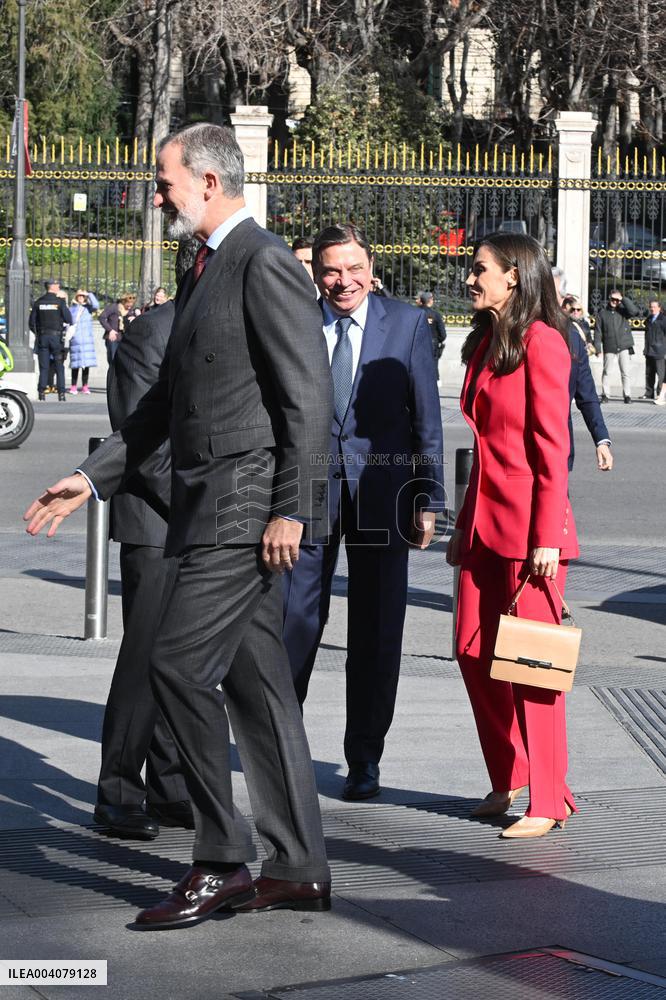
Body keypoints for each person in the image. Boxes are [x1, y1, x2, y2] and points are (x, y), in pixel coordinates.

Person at [24, 122, 334, 927]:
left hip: (245, 508)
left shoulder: (262, 259)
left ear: (206, 180)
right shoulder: (204, 265)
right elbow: (166, 405)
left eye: (164, 183)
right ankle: (297, 867)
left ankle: (222, 859)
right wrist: (91, 479)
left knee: (173, 662)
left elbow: (309, 398)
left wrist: (294, 508)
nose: (156, 196)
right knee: (259, 690)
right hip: (209, 506)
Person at [282, 223, 445, 802]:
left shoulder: (405, 324)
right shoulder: (297, 320)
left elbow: (427, 416)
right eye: (331, 269)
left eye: (353, 269)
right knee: (294, 621)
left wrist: (429, 497)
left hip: (385, 488)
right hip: (307, 488)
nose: (343, 281)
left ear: (371, 269)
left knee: (377, 630)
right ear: (317, 272)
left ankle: (365, 758)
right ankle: (282, 748)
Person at [447, 233, 579, 839]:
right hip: (482, 525)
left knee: (534, 665)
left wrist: (548, 534)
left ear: (514, 277)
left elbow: (554, 448)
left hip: (532, 534)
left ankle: (549, 800)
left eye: (480, 270)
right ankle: (512, 774)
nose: (470, 279)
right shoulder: (483, 343)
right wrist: (460, 527)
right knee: (473, 653)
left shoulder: (544, 343)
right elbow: (482, 448)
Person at [94, 245, 197, 840]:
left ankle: (168, 788)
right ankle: (117, 792)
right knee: (143, 660)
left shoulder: (215, 329)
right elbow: (139, 439)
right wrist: (199, 498)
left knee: (178, 660)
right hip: (157, 522)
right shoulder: (150, 334)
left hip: (198, 520)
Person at [553, 275, 612, 473]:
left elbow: (587, 396)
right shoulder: (516, 334)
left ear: (563, 299)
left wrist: (601, 440)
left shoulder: (573, 339)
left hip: (558, 452)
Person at [28, 279, 72, 401]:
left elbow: (31, 323)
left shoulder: (39, 302)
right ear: (52, 287)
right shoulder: (59, 302)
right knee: (59, 366)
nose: (59, 287)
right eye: (58, 285)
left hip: (43, 337)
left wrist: (39, 333)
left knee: (44, 366)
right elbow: (69, 319)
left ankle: (41, 392)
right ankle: (61, 393)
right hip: (56, 338)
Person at [594, 289, 640, 403]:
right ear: (609, 299)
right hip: (609, 346)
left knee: (625, 372)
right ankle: (605, 394)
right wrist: (598, 348)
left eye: (616, 300)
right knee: (607, 372)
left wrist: (622, 299)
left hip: (623, 346)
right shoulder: (602, 314)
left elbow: (634, 311)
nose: (614, 301)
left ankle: (627, 395)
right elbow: (598, 332)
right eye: (612, 299)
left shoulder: (624, 311)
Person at [68, 289, 99, 394]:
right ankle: (73, 386)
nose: (81, 298)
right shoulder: (72, 309)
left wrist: (89, 294)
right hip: (76, 339)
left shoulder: (88, 308)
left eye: (82, 296)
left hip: (87, 339)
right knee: (75, 365)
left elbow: (96, 305)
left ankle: (85, 385)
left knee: (86, 365)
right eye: (79, 296)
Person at [99, 292, 140, 365]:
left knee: (124, 361)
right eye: (128, 304)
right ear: (123, 301)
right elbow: (102, 317)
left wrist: (135, 318)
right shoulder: (114, 307)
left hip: (125, 338)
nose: (130, 306)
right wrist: (110, 330)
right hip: (113, 338)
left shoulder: (131, 311)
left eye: (132, 304)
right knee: (113, 360)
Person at [416, 291, 447, 382]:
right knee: (433, 367)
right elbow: (443, 335)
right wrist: (438, 340)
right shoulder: (436, 315)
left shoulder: (415, 312)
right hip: (433, 345)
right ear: (430, 300)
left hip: (418, 344)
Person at [642, 299, 666, 404]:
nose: (652, 309)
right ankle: (649, 393)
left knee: (661, 374)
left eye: (654, 307)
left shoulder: (663, 319)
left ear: (659, 308)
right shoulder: (648, 319)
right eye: (651, 307)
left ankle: (660, 394)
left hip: (659, 350)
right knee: (649, 373)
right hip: (649, 350)